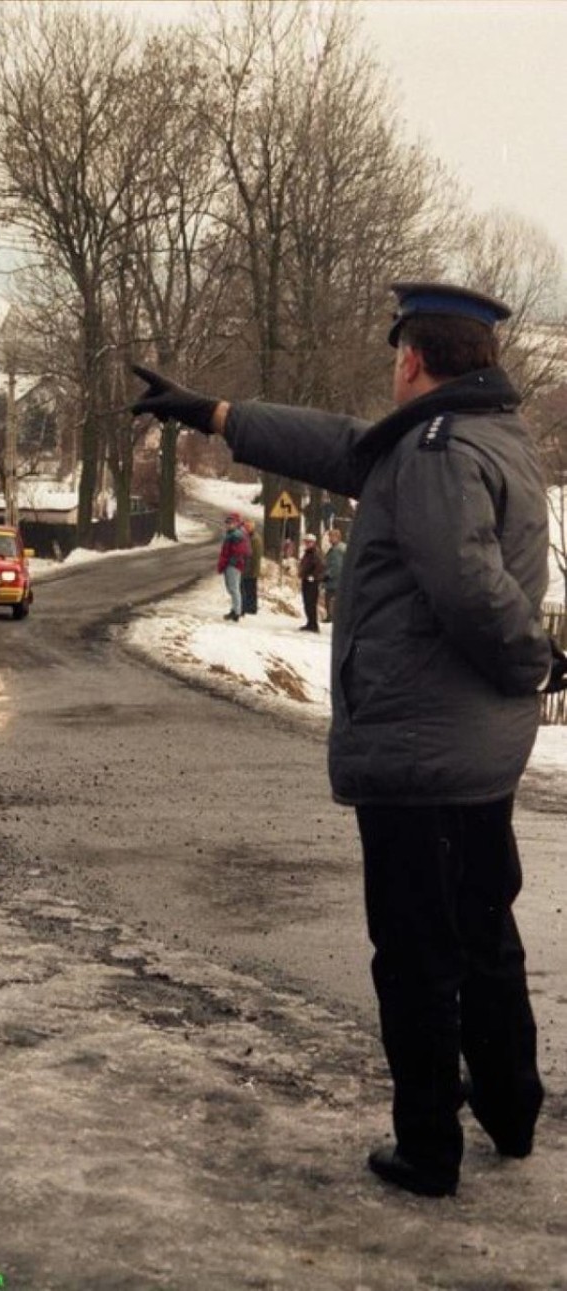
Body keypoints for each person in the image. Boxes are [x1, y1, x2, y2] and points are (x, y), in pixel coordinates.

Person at [132, 281, 567, 1199]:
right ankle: (510, 1106)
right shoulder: (475, 434)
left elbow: (468, 584)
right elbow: (339, 443)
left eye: (393, 354)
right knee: (484, 929)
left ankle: (427, 1149)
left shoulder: (438, 453)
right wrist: (216, 413)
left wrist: (537, 656)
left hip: (420, 751)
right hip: (471, 750)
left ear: (413, 357)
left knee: (416, 949)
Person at [217, 512, 251, 622]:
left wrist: (231, 562)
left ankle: (236, 611)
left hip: (233, 565)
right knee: (231, 588)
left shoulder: (237, 535)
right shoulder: (232, 534)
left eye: (231, 522)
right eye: (227, 522)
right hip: (230, 564)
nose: (228, 524)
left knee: (234, 588)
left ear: (236, 523)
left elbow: (240, 552)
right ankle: (235, 609)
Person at [297, 533, 324, 632]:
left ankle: (313, 624)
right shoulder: (308, 552)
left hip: (312, 581)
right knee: (307, 603)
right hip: (306, 579)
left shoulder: (315, 553)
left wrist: (313, 576)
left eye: (309, 542)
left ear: (314, 543)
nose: (307, 544)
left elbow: (320, 566)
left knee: (311, 603)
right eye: (306, 542)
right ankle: (310, 622)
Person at [322, 528, 346, 623]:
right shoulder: (339, 548)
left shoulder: (337, 550)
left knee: (331, 598)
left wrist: (327, 575)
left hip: (335, 581)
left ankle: (332, 616)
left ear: (337, 537)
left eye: (331, 537)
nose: (329, 539)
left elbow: (336, 565)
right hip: (339, 580)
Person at [241, 519, 263, 615]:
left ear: (251, 528)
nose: (245, 529)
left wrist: (249, 569)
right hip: (248, 568)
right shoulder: (249, 537)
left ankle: (251, 608)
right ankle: (248, 606)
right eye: (245, 527)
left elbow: (254, 556)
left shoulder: (254, 539)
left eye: (247, 527)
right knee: (248, 589)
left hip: (251, 569)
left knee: (250, 589)